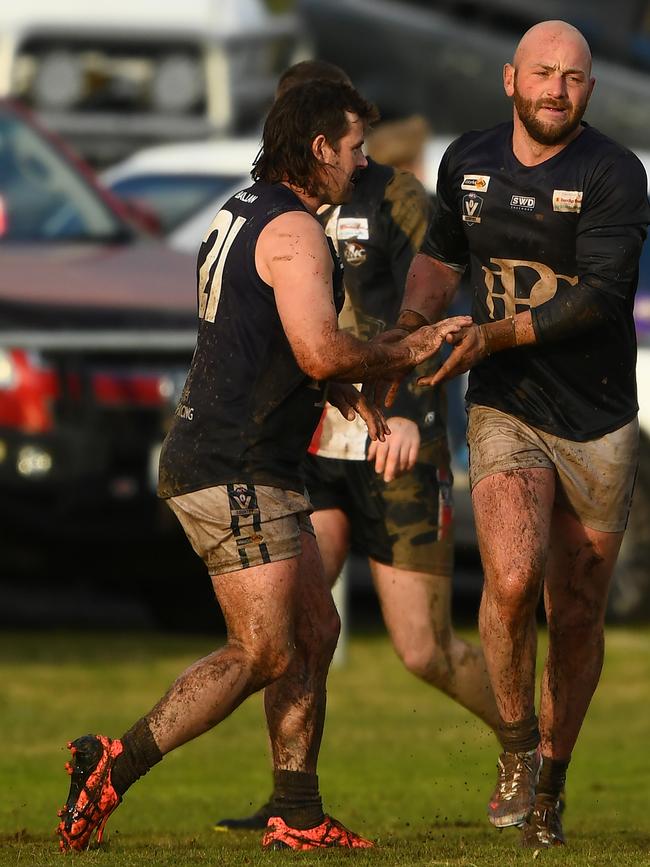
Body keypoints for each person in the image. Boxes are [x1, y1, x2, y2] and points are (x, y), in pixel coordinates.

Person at [55, 78, 470, 852]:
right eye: (351, 148)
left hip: (246, 460)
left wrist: (348, 390)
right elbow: (317, 346)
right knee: (266, 649)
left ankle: (298, 811)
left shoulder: (244, 207)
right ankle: (114, 763)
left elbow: (270, 338)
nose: (360, 163)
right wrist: (402, 348)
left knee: (314, 629)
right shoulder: (296, 232)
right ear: (318, 149)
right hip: (233, 466)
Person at [214, 59, 500, 833]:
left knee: (422, 649)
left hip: (398, 436)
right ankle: (292, 798)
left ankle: (529, 748)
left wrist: (410, 410)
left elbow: (444, 301)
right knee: (295, 630)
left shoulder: (397, 197)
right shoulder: (276, 211)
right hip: (313, 448)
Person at [383, 20, 649, 848]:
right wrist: (413, 326)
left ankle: (553, 782)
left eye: (572, 78)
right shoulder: (466, 160)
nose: (556, 89)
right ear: (510, 79)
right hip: (506, 405)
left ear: (590, 92)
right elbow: (441, 257)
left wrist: (486, 335)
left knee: (575, 613)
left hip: (600, 418)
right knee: (510, 579)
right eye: (542, 73)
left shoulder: (613, 172)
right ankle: (513, 748)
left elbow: (600, 298)